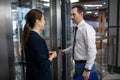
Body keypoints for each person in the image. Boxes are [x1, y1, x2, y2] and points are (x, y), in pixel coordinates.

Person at [60, 5, 97, 80]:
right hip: (77, 64)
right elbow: (76, 45)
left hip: (85, 65)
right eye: (71, 14)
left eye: (74, 14)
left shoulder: (87, 29)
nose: (71, 17)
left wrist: (87, 69)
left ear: (81, 14)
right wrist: (64, 51)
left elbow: (92, 50)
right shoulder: (77, 28)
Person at [22, 9, 57, 80]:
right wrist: (52, 57)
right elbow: (44, 65)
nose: (44, 22)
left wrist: (46, 53)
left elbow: (34, 56)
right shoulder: (37, 39)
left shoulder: (30, 36)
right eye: (43, 19)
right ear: (37, 21)